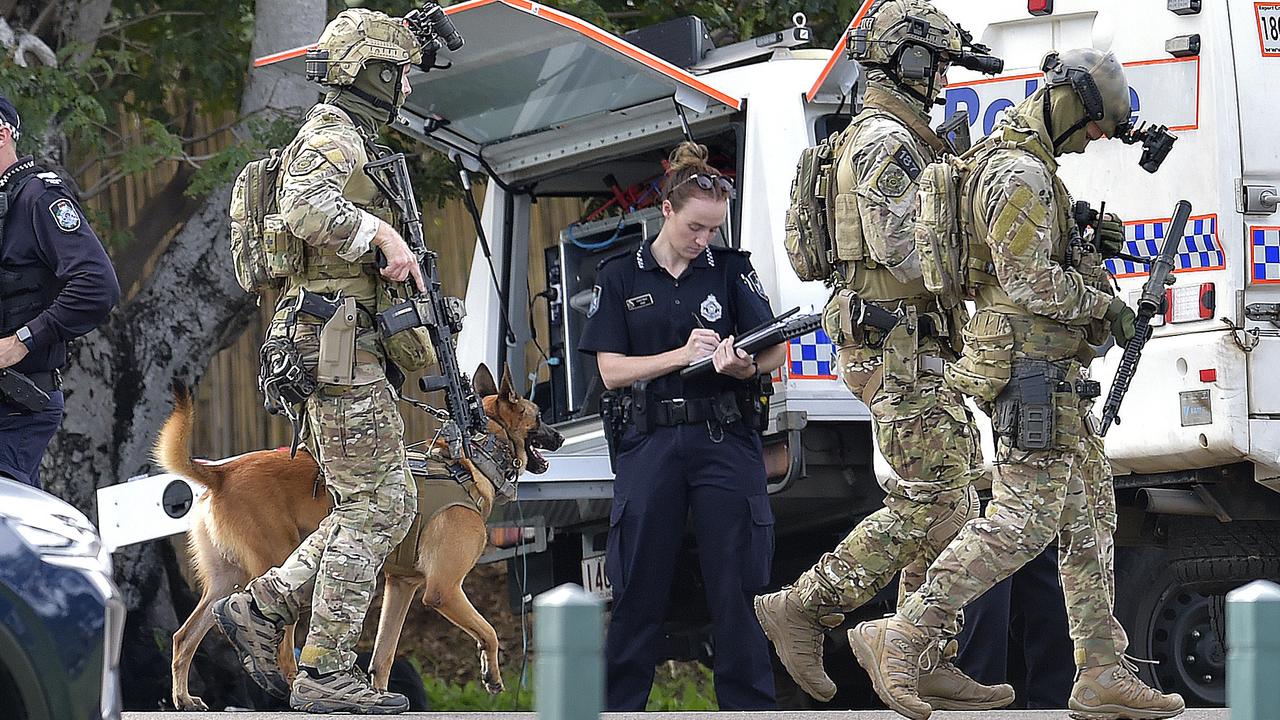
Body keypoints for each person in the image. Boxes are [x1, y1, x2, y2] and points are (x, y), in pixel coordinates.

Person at [848, 48, 1185, 720]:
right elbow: (1028, 282)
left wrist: (1087, 244)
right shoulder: (1020, 173)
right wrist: (1108, 309)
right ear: (1071, 105)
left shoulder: (1028, 169)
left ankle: (1100, 671)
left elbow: (1022, 265)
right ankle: (904, 632)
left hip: (1052, 371)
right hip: (1030, 375)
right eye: (1093, 127)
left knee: (1091, 515)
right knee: (1018, 525)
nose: (1094, 141)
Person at [752, 0, 1012, 711]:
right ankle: (804, 606)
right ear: (914, 62)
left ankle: (920, 652)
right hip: (897, 348)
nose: (943, 81)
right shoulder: (886, 144)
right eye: (939, 65)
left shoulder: (890, 137)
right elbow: (908, 252)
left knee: (951, 501)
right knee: (926, 499)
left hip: (911, 346)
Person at [212, 9, 433, 715]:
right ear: (369, 72)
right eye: (397, 71)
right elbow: (307, 209)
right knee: (373, 508)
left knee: (390, 501)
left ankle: (266, 605)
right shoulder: (332, 138)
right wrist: (383, 235)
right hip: (333, 342)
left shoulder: (352, 139)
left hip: (346, 340)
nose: (404, 85)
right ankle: (324, 670)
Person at [580, 141, 785, 711]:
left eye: (714, 230)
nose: (704, 241)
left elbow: (772, 350)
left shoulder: (730, 271)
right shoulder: (620, 274)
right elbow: (611, 370)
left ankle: (749, 706)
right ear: (666, 211)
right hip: (650, 440)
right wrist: (679, 355)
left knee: (737, 583)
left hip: (723, 438)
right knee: (638, 584)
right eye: (696, 227)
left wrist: (743, 364)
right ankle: (620, 706)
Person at [0, 95, 120, 489]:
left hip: (16, 405)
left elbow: (97, 284)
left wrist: (24, 340)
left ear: (2, 135)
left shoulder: (39, 198)